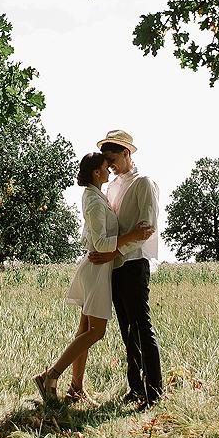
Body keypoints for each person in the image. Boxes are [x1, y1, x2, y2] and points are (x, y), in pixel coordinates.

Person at [34, 152, 154, 405]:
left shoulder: (97, 195)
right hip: (97, 270)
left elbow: (90, 236)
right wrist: (132, 235)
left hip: (98, 268)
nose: (109, 169)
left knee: (84, 331)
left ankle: (76, 388)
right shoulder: (94, 200)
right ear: (96, 173)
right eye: (105, 167)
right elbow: (100, 243)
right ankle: (50, 375)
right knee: (96, 332)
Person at [89, 129, 163, 407]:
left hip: (134, 263)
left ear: (126, 153)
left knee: (142, 326)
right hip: (115, 265)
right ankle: (135, 388)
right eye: (106, 161)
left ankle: (154, 390)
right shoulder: (110, 188)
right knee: (126, 329)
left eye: (112, 159)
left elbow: (147, 229)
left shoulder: (144, 183)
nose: (109, 165)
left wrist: (114, 252)